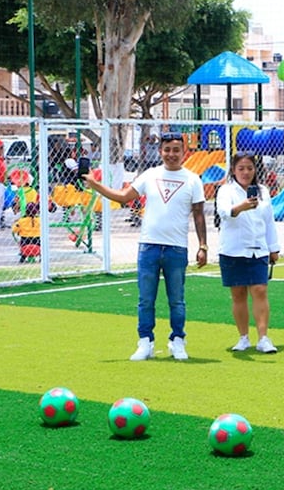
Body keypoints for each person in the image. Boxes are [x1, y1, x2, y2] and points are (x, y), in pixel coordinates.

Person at [83, 131, 207, 361]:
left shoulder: (193, 179)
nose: (171, 154)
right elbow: (123, 197)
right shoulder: (150, 175)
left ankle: (177, 341)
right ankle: (145, 342)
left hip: (176, 248)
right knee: (146, 299)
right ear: (160, 151)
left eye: (176, 150)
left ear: (184, 152)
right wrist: (95, 185)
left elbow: (199, 214)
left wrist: (203, 246)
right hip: (149, 247)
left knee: (177, 300)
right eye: (167, 150)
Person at [215, 152, 281, 354]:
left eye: (250, 168)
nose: (245, 172)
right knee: (238, 294)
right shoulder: (226, 190)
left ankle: (263, 338)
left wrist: (273, 247)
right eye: (241, 168)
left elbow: (269, 220)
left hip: (258, 249)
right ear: (233, 170)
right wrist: (240, 207)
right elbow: (224, 212)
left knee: (260, 290)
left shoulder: (263, 191)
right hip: (233, 250)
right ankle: (243, 337)